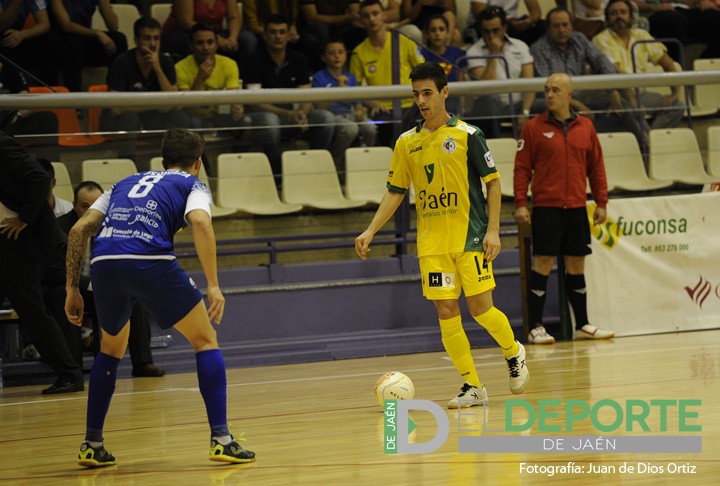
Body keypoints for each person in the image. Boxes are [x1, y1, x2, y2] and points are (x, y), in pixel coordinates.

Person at [65, 128, 255, 467]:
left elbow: (79, 229)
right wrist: (213, 284)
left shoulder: (123, 182)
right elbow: (200, 223)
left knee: (109, 349)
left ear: (162, 159)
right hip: (150, 261)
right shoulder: (192, 185)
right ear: (197, 163)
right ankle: (222, 439)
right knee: (205, 340)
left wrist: (72, 288)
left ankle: (92, 442)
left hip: (104, 263)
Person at [355, 62, 529, 408]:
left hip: (471, 237)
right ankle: (473, 385)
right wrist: (371, 229)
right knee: (447, 312)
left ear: (444, 93)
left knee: (480, 309)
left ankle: (513, 351)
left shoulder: (468, 135)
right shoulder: (406, 143)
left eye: (427, 93)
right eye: (415, 94)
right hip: (432, 243)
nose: (421, 100)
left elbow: (493, 184)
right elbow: (395, 191)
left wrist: (494, 231)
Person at [513, 72, 615, 344]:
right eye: (547, 89)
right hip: (547, 207)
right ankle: (536, 328)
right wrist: (521, 202)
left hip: (577, 207)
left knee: (576, 265)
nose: (549, 94)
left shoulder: (586, 127)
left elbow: (597, 168)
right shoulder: (533, 128)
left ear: (569, 95)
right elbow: (522, 169)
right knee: (543, 263)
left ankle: (582, 324)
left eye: (556, 90)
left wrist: (601, 202)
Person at [0, 130, 84, 395]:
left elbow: (39, 178)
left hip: (18, 237)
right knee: (32, 310)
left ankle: (70, 374)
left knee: (32, 310)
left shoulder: (2, 143)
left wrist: (25, 217)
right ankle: (69, 373)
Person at [58, 181, 166, 378]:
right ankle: (73, 372)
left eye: (97, 204)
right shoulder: (63, 227)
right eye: (84, 206)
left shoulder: (119, 223)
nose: (91, 210)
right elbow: (57, 270)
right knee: (65, 301)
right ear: (74, 205)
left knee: (135, 298)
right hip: (75, 289)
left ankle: (143, 363)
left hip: (108, 285)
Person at [531, 8, 646, 145]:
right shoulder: (539, 49)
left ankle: (644, 147)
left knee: (622, 105)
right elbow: (550, 88)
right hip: (555, 101)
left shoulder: (579, 39)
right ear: (548, 29)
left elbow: (602, 62)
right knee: (585, 117)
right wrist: (576, 104)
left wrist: (612, 90)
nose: (561, 30)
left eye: (565, 25)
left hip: (582, 95)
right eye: (556, 26)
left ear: (571, 26)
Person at [242, 14, 335, 176]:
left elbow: (305, 96)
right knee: (270, 122)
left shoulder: (299, 59)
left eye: (282, 32)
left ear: (288, 35)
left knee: (326, 118)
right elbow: (254, 101)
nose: (277, 36)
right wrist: (289, 114)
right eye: (272, 32)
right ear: (264, 35)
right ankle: (279, 177)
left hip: (292, 116)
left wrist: (302, 113)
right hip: (263, 116)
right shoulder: (254, 60)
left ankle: (314, 171)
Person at [100, 16, 190, 160]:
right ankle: (128, 165)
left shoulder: (165, 62)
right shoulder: (121, 63)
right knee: (129, 119)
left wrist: (157, 68)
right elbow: (117, 109)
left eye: (156, 38)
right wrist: (156, 104)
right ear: (136, 41)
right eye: (147, 38)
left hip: (152, 119)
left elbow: (174, 103)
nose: (153, 44)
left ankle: (177, 165)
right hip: (120, 122)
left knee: (179, 117)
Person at [176, 23, 272, 156]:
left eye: (210, 42)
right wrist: (200, 79)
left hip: (223, 117)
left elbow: (233, 98)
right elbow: (189, 111)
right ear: (191, 46)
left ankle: (234, 161)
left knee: (245, 123)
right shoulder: (180, 67)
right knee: (193, 124)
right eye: (200, 43)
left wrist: (237, 108)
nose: (206, 48)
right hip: (198, 118)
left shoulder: (229, 64)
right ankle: (204, 169)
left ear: (216, 44)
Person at [593, 0, 683, 132]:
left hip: (640, 93)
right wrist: (631, 97)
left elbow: (667, 62)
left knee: (677, 106)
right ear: (607, 18)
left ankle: (652, 140)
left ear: (631, 16)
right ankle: (647, 144)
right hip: (616, 93)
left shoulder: (641, 35)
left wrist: (675, 93)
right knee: (634, 109)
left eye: (623, 12)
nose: (619, 17)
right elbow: (614, 71)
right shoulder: (601, 39)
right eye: (613, 13)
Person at [350, 0, 425, 147]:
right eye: (366, 16)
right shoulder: (359, 52)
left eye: (375, 13)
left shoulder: (404, 41)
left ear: (383, 15)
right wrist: (372, 103)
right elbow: (354, 90)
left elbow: (425, 72)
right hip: (382, 110)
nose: (371, 19)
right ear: (361, 20)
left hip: (412, 105)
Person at [466, 6, 535, 138]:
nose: (491, 36)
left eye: (495, 30)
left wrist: (525, 112)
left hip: (517, 104)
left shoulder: (520, 46)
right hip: (488, 105)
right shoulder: (474, 52)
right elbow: (486, 88)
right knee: (491, 99)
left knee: (543, 105)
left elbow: (530, 84)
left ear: (504, 28)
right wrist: (493, 53)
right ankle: (496, 148)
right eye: (486, 32)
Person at [312, 38, 377, 171]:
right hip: (332, 116)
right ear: (324, 58)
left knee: (371, 127)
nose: (337, 56)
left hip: (350, 115)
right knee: (350, 129)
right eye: (332, 53)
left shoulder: (350, 77)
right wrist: (338, 89)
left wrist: (359, 111)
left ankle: (361, 163)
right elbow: (319, 107)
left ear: (345, 55)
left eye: (340, 52)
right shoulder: (319, 77)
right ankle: (335, 163)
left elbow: (357, 102)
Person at [49, 0, 128, 92]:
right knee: (74, 43)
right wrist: (97, 33)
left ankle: (116, 91)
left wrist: (104, 3)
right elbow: (66, 25)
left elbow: (114, 26)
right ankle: (73, 97)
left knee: (119, 39)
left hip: (85, 37)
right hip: (61, 40)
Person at [161, 0, 247, 66]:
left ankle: (240, 82)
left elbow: (233, 17)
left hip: (214, 32)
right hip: (183, 32)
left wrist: (232, 39)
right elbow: (186, 22)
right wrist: (216, 39)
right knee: (198, 44)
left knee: (245, 41)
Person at [0, 0, 62, 86]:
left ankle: (48, 90)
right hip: (3, 40)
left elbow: (45, 24)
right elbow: (2, 26)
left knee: (52, 41)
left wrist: (22, 34)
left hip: (19, 37)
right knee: (5, 38)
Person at [635, 0, 720, 62]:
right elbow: (628, 4)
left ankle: (703, 67)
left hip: (681, 10)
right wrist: (656, 7)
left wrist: (698, 1)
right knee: (675, 21)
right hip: (653, 13)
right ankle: (675, 70)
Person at [297, 0, 366, 71]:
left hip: (342, 27)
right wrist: (348, 18)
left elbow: (355, 13)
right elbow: (312, 18)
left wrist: (354, 19)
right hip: (314, 29)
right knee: (321, 28)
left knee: (361, 29)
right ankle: (324, 74)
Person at [420, 14, 466, 115]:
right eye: (433, 30)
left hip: (453, 100)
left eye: (441, 29)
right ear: (427, 34)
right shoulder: (421, 55)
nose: (437, 34)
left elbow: (461, 83)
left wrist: (461, 110)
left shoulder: (457, 54)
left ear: (448, 33)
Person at [470, 0, 545, 45]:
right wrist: (505, 21)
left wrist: (527, 22)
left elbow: (536, 13)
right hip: (488, 23)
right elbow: (480, 14)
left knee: (543, 26)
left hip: (511, 23)